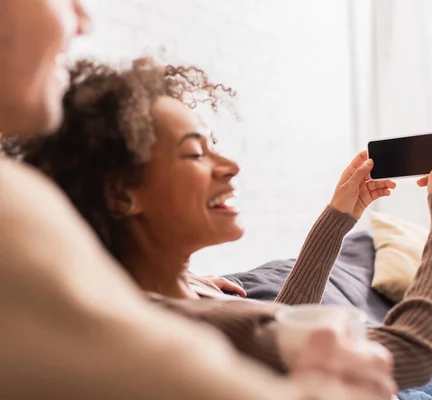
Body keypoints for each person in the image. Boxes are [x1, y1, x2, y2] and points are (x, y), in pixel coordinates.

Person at [0, 1, 398, 399]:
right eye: (194, 152)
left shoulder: (169, 289)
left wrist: (339, 215)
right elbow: (409, 353)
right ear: (121, 195)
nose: (83, 19)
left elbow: (278, 326)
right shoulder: (15, 214)